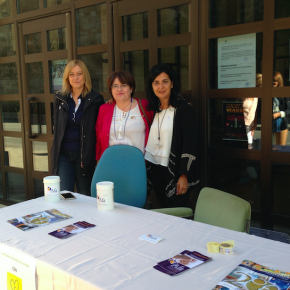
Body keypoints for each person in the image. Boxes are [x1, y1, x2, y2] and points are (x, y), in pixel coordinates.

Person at [145, 63, 199, 208]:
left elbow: (190, 142)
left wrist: (184, 175)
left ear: (172, 83)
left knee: (178, 213)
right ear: (151, 86)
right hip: (156, 169)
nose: (160, 87)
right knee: (165, 211)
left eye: (165, 82)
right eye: (156, 83)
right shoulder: (153, 109)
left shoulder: (183, 109)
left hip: (175, 172)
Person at [50, 60, 104, 195]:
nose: (76, 78)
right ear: (67, 78)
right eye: (72, 74)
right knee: (64, 195)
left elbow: (100, 127)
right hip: (63, 155)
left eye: (79, 74)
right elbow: (57, 128)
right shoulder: (60, 98)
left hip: (84, 156)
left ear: (85, 76)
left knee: (85, 195)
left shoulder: (96, 99)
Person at [95, 70, 154, 160]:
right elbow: (98, 138)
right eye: (115, 86)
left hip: (137, 164)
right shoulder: (104, 109)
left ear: (131, 88)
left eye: (124, 85)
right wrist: (99, 162)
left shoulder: (144, 106)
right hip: (110, 163)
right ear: (111, 90)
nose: (119, 89)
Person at [242, 74, 260, 149]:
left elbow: (253, 111)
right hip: (241, 120)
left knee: (249, 142)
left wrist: (252, 124)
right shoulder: (245, 93)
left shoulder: (255, 97)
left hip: (249, 122)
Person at [272, 72, 289, 146]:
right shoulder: (268, 92)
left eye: (275, 80)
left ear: (279, 81)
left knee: (281, 147)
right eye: (271, 80)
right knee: (272, 148)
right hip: (271, 123)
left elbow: (288, 110)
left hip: (282, 123)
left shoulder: (284, 93)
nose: (273, 82)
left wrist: (279, 114)